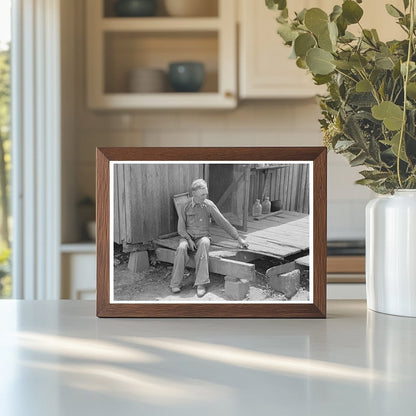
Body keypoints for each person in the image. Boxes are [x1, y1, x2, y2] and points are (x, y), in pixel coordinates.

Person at [170, 178, 249, 297]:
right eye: (202, 194)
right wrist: (189, 240)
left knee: (204, 244)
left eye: (206, 193)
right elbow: (181, 229)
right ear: (194, 193)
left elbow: (223, 222)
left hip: (203, 237)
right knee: (181, 248)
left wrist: (238, 238)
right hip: (187, 237)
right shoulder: (185, 206)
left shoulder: (209, 205)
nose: (205, 196)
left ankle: (201, 284)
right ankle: (175, 283)